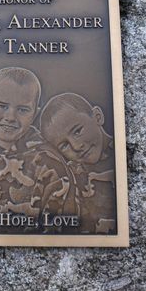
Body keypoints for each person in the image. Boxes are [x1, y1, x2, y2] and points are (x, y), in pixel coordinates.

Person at [0, 67, 73, 233]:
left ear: (35, 114)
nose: (10, 117)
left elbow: (58, 231)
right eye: (1, 106)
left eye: (23, 110)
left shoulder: (49, 164)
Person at [39, 92, 117, 234]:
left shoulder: (125, 153)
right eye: (64, 146)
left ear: (97, 117)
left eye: (77, 131)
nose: (76, 146)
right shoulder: (70, 176)